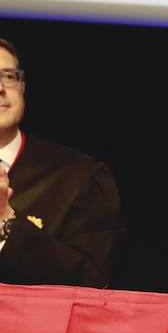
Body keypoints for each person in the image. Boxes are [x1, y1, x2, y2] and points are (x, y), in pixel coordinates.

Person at [0, 38, 122, 287]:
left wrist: (5, 222)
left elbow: (92, 282)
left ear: (23, 87)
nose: (1, 88)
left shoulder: (80, 177)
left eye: (9, 76)